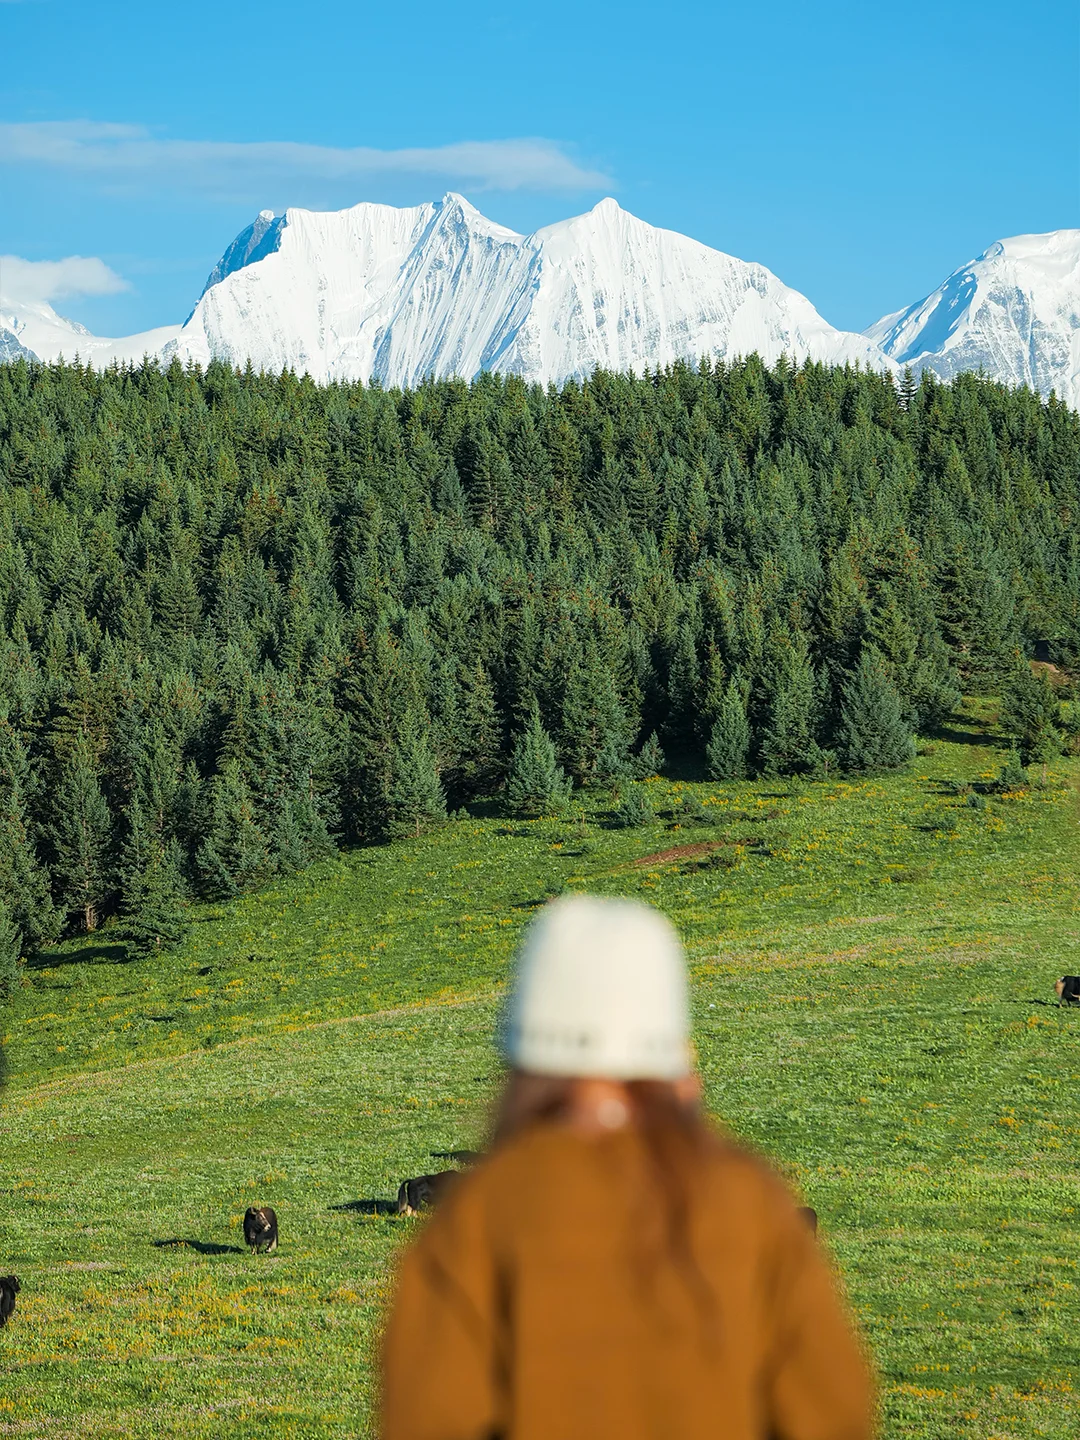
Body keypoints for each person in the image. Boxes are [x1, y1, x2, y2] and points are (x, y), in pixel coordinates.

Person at [380, 895, 875, 1440]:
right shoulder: (750, 1201)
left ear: (519, 1064)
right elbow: (833, 1413)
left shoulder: (475, 1221)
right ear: (679, 1061)